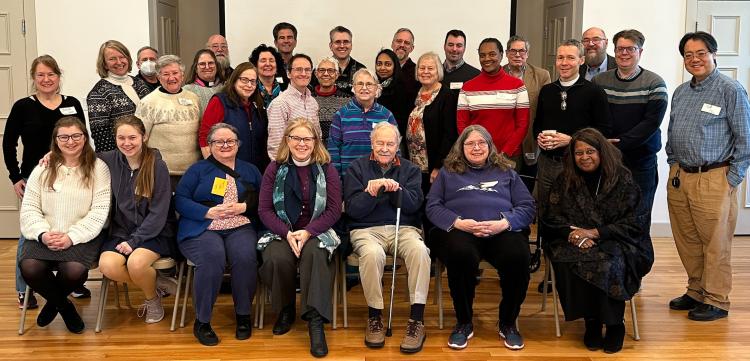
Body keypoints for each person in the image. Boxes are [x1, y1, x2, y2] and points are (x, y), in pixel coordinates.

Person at [543, 127, 653, 353]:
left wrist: (594, 233)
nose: (584, 157)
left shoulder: (622, 178)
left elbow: (635, 221)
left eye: (590, 151)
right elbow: (550, 218)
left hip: (616, 237)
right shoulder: (564, 179)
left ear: (602, 151)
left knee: (609, 261)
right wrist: (573, 236)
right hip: (572, 240)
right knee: (571, 260)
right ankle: (591, 321)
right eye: (579, 153)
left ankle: (614, 324)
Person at [426, 125, 535, 350]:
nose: (476, 148)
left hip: (501, 230)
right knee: (461, 254)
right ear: (461, 147)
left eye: (481, 143)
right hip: (461, 231)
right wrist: (458, 222)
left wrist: (504, 223)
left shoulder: (506, 171)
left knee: (518, 256)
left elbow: (527, 206)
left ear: (489, 146)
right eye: (470, 143)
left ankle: (508, 322)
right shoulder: (448, 172)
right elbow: (432, 206)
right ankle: (464, 322)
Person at [666, 31, 750, 321]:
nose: (695, 59)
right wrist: (673, 162)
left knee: (715, 242)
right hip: (681, 176)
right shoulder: (681, 91)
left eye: (701, 53)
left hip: (715, 176)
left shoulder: (730, 90)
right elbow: (672, 129)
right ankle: (696, 290)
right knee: (687, 239)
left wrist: (733, 178)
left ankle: (716, 299)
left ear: (714, 54)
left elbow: (745, 138)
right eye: (688, 55)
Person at [3, 55, 85, 309]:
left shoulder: (72, 103)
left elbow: (83, 138)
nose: (46, 79)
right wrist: (15, 176)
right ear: (33, 78)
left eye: (51, 74)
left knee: (70, 224)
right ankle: (23, 289)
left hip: (71, 176)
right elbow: (8, 143)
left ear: (59, 77)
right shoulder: (22, 106)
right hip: (34, 177)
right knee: (30, 232)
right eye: (40, 75)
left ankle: (70, 282)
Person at [19, 116, 111, 334]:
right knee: (29, 267)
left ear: (85, 137)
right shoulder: (43, 167)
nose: (71, 141)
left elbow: (99, 211)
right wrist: (42, 234)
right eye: (64, 137)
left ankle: (53, 304)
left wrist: (72, 236)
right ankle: (64, 306)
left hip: (83, 234)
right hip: (45, 233)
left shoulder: (99, 168)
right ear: (56, 140)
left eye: (76, 136)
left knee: (74, 270)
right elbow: (29, 208)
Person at [258, 119, 341, 357]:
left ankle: (315, 322)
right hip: (282, 229)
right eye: (296, 138)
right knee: (275, 257)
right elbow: (264, 210)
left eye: (307, 139)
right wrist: (286, 233)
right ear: (287, 140)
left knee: (315, 253)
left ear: (316, 142)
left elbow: (334, 210)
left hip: (316, 230)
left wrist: (307, 232)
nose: (301, 144)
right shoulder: (275, 168)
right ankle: (285, 310)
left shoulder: (327, 168)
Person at [344, 122, 430, 353]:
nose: (384, 148)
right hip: (367, 230)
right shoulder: (356, 168)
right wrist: (369, 193)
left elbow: (414, 205)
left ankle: (416, 319)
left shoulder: (411, 170)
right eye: (380, 143)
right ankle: (374, 317)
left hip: (403, 228)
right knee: (372, 254)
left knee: (420, 251)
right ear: (372, 144)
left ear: (397, 145)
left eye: (390, 144)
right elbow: (352, 210)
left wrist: (397, 191)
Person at [175, 123, 262, 346]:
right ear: (210, 145)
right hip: (203, 226)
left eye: (230, 141)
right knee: (212, 257)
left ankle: (243, 316)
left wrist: (244, 207)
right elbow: (180, 200)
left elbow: (264, 199)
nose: (225, 145)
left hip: (240, 224)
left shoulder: (250, 170)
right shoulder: (197, 170)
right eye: (218, 142)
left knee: (245, 256)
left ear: (238, 144)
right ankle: (202, 321)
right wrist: (206, 212)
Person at [592, 29, 667, 264]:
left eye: (630, 49)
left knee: (638, 215)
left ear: (640, 51)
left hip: (641, 163)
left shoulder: (654, 83)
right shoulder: (599, 81)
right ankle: (611, 265)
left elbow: (651, 123)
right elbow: (595, 116)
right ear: (614, 51)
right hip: (607, 162)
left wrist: (620, 143)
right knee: (607, 214)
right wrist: (605, 146)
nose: (624, 53)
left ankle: (636, 268)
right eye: (620, 49)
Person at [98, 115, 178, 324]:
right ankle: (157, 283)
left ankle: (151, 299)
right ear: (115, 139)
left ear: (144, 136)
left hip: (155, 231)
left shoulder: (157, 165)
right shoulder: (109, 160)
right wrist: (53, 154)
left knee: (136, 263)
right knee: (108, 266)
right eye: (121, 138)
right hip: (122, 231)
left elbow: (159, 213)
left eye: (132, 137)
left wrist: (134, 241)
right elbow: (77, 153)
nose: (127, 143)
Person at [533, 39, 611, 214]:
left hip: (578, 163)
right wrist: (539, 137)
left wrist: (572, 141)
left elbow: (604, 131)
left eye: (570, 58)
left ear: (581, 60)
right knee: (546, 212)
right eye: (560, 58)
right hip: (547, 163)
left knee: (575, 212)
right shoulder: (547, 90)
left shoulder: (594, 92)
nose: (564, 63)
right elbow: (538, 124)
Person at [457, 38, 529, 168]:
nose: (487, 59)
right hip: (476, 155)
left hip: (509, 156)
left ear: (502, 55)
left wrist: (505, 153)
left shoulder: (518, 85)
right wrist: (475, 148)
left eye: (492, 54)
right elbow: (462, 124)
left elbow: (522, 125)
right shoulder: (467, 88)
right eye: (482, 55)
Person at [135, 55, 201, 187]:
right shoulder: (148, 103)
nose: (171, 78)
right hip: (162, 174)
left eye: (175, 73)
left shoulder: (194, 98)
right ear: (158, 77)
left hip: (194, 172)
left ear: (182, 75)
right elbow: (139, 139)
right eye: (166, 74)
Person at [199, 62, 270, 171]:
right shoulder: (219, 101)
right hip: (225, 170)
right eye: (244, 80)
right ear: (234, 80)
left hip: (255, 172)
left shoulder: (258, 106)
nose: (249, 85)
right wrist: (214, 168)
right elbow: (205, 137)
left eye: (253, 81)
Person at [328, 68, 398, 178]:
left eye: (369, 84)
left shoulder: (386, 115)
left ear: (376, 88)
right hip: (349, 179)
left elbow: (395, 148)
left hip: (380, 179)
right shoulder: (341, 115)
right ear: (353, 88)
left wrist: (393, 177)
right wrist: (337, 180)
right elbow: (333, 150)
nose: (364, 88)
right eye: (360, 84)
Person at [503, 35, 551, 191]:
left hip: (530, 140)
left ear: (527, 53)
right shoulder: (497, 75)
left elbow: (546, 110)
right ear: (506, 53)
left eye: (522, 51)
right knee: (505, 188)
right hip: (505, 142)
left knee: (526, 188)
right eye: (513, 51)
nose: (518, 55)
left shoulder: (542, 75)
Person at [407, 52, 458, 198]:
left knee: (432, 203)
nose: (425, 72)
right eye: (422, 68)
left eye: (430, 68)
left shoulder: (446, 96)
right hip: (413, 164)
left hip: (433, 166)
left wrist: (438, 166)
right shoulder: (413, 93)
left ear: (438, 71)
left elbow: (450, 135)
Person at [87, 40, 151, 152]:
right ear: (104, 64)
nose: (119, 62)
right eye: (112, 59)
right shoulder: (98, 93)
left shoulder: (140, 83)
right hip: (121, 156)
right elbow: (101, 137)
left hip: (146, 151)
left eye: (122, 57)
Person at [266, 53, 321, 160]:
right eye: (299, 69)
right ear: (289, 73)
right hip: (289, 167)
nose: (304, 73)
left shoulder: (313, 102)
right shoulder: (280, 103)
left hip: (311, 164)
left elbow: (317, 137)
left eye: (307, 70)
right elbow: (276, 145)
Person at [312, 56, 351, 144]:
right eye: (321, 70)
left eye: (331, 70)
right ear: (316, 73)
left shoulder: (348, 101)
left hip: (338, 150)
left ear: (337, 75)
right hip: (313, 151)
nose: (326, 74)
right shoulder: (307, 99)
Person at [375, 49, 413, 139]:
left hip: (394, 139)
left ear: (395, 66)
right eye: (379, 64)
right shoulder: (374, 86)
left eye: (388, 64)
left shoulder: (403, 88)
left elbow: (403, 121)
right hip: (376, 136)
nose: (383, 68)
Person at [183, 49, 226, 118]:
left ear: (216, 66)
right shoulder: (187, 91)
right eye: (202, 64)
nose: (207, 67)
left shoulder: (226, 87)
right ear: (196, 69)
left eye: (211, 63)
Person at [328, 26, 366, 95]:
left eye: (346, 42)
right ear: (330, 46)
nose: (342, 46)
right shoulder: (321, 70)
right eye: (338, 42)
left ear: (351, 45)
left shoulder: (361, 70)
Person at [442, 29, 481, 96]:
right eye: (450, 45)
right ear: (444, 46)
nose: (454, 49)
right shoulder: (434, 74)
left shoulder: (476, 76)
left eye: (459, 46)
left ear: (464, 48)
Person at [391, 28, 420, 102]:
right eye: (399, 41)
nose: (402, 45)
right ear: (392, 44)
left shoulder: (418, 73)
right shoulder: (383, 69)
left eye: (406, 43)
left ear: (412, 48)